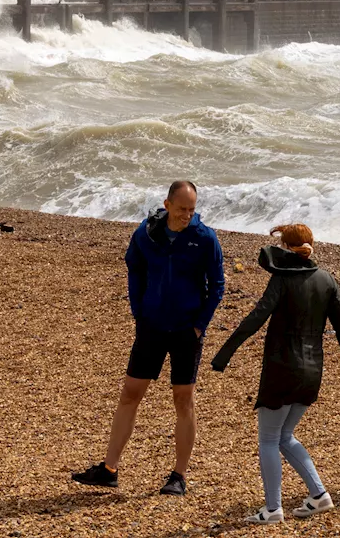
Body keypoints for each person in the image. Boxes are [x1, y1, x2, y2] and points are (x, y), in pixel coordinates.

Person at [72, 180, 225, 496]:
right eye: (182, 209)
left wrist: (200, 325)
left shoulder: (205, 239)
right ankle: (109, 469)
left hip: (186, 331)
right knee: (130, 393)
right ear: (167, 205)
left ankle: (178, 476)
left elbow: (218, 285)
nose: (187, 215)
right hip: (152, 326)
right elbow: (134, 267)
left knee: (183, 400)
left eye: (192, 210)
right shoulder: (146, 233)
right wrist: (138, 309)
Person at [210, 223, 340, 525]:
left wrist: (223, 354)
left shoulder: (282, 279)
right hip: (312, 371)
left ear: (286, 248)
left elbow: (256, 317)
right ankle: (319, 495)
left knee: (268, 439)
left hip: (283, 368)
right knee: (284, 436)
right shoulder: (327, 280)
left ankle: (272, 509)